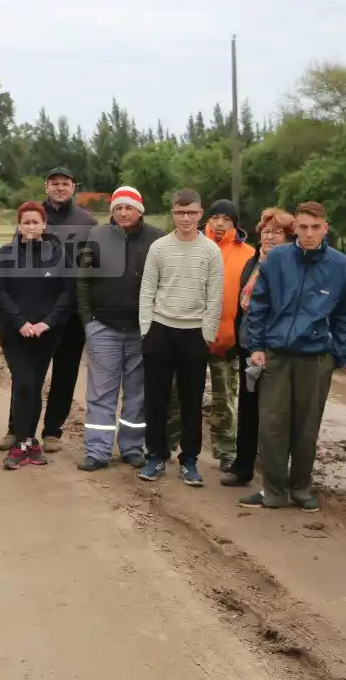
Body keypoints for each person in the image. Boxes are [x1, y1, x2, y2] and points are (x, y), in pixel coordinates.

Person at [242, 202, 346, 512]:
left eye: (315, 227)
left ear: (325, 228)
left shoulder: (338, 265)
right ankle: (273, 490)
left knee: (306, 427)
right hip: (277, 354)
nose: (309, 234)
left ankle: (300, 487)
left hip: (315, 356)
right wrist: (256, 345)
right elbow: (259, 303)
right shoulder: (278, 258)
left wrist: (337, 353)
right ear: (294, 228)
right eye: (303, 227)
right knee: (272, 423)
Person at [137, 189, 224, 486]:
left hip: (194, 335)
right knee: (156, 399)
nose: (185, 218)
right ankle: (156, 456)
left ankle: (189, 460)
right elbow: (148, 290)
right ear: (172, 213)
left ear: (201, 214)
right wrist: (146, 330)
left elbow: (215, 297)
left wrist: (207, 334)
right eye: (180, 212)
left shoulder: (211, 251)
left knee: (191, 402)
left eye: (191, 213)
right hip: (160, 330)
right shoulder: (159, 248)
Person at [75, 185, 163, 471]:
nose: (123, 213)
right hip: (103, 327)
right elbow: (83, 281)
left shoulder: (156, 239)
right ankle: (97, 450)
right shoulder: (97, 236)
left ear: (140, 210)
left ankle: (132, 447)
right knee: (101, 392)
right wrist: (88, 320)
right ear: (111, 211)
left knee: (137, 392)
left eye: (129, 207)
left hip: (141, 328)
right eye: (118, 208)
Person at [0, 201, 76, 470]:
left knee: (34, 385)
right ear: (19, 226)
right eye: (25, 222)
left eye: (35, 222)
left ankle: (27, 442)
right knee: (24, 382)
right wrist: (20, 323)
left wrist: (46, 323)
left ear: (43, 225)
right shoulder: (6, 254)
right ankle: (23, 442)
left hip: (46, 334)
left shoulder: (59, 255)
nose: (30, 226)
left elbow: (67, 294)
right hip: (15, 333)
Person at [220, 208, 295, 488]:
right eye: (266, 231)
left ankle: (277, 472)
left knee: (275, 412)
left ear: (288, 238)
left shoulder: (289, 265)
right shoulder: (254, 261)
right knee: (248, 408)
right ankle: (243, 467)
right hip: (248, 345)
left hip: (276, 349)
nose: (270, 237)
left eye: (278, 233)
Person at [26, 166, 96, 453]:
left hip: (73, 311)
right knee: (30, 374)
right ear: (46, 187)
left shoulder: (88, 222)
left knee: (65, 374)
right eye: (54, 183)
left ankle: (53, 430)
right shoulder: (32, 216)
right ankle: (18, 429)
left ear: (73, 187)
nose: (59, 188)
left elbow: (94, 265)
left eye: (64, 183)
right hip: (39, 307)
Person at [203, 199, 255, 471]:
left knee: (226, 401)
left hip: (229, 340)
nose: (220, 223)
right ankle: (166, 447)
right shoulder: (194, 246)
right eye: (215, 218)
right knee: (177, 398)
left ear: (235, 223)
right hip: (192, 339)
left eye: (226, 219)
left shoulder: (249, 254)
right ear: (207, 221)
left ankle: (226, 452)